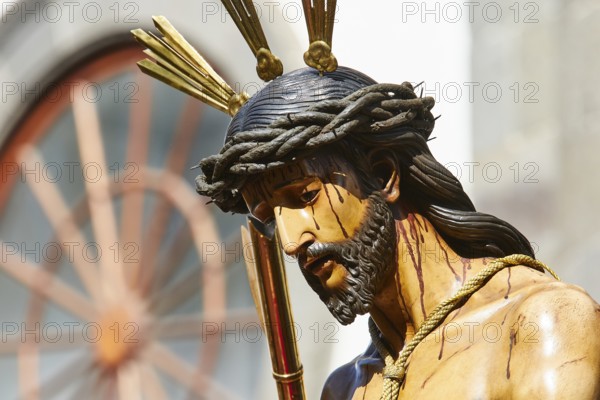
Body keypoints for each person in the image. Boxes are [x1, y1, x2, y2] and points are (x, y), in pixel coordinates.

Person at [195, 66, 600, 399]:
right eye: (268, 217)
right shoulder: (344, 389)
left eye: (305, 196)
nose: (289, 241)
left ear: (384, 175)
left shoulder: (538, 323)